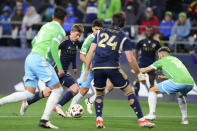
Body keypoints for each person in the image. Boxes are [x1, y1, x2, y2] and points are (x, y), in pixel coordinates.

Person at [84, 12, 155, 128]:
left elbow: (91, 51)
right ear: (124, 23)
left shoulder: (100, 32)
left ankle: (99, 120)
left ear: (112, 21)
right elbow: (130, 59)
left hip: (97, 67)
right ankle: (142, 120)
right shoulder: (123, 36)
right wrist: (139, 73)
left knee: (99, 94)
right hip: (112, 67)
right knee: (129, 91)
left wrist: (87, 70)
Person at [0, 6, 66, 129]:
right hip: (40, 60)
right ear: (65, 18)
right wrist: (60, 67)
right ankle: (44, 120)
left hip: (30, 58)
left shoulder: (45, 26)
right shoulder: (60, 30)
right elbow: (53, 48)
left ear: (52, 17)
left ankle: (0, 102)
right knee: (58, 90)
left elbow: (33, 42)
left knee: (29, 94)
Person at [20, 24, 84, 118]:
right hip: (56, 70)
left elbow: (73, 55)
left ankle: (58, 106)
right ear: (71, 32)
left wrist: (74, 66)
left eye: (80, 35)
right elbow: (52, 49)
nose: (78, 37)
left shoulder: (77, 44)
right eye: (77, 34)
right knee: (47, 93)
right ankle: (27, 102)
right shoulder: (64, 41)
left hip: (64, 72)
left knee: (75, 89)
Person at [67, 19, 113, 115]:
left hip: (101, 67)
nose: (98, 31)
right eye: (96, 29)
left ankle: (90, 100)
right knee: (83, 91)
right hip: (89, 68)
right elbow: (81, 55)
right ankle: (70, 110)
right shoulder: (89, 40)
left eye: (100, 29)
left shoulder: (104, 39)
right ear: (92, 29)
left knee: (110, 85)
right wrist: (90, 65)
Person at [140, 47, 194, 124]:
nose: (158, 58)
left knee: (152, 90)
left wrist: (136, 69)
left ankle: (152, 114)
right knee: (179, 95)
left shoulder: (162, 61)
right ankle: (185, 119)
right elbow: (179, 72)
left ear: (162, 55)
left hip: (178, 82)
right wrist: (165, 77)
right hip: (190, 83)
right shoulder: (176, 59)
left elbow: (145, 70)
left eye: (159, 56)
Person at [134, 26, 161, 96]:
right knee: (138, 79)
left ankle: (151, 96)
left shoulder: (157, 41)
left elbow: (160, 54)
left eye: (150, 31)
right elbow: (136, 51)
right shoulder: (141, 40)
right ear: (145, 32)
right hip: (142, 63)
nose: (149, 32)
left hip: (152, 64)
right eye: (147, 31)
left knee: (151, 81)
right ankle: (135, 96)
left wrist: (159, 64)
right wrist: (135, 62)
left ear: (153, 32)